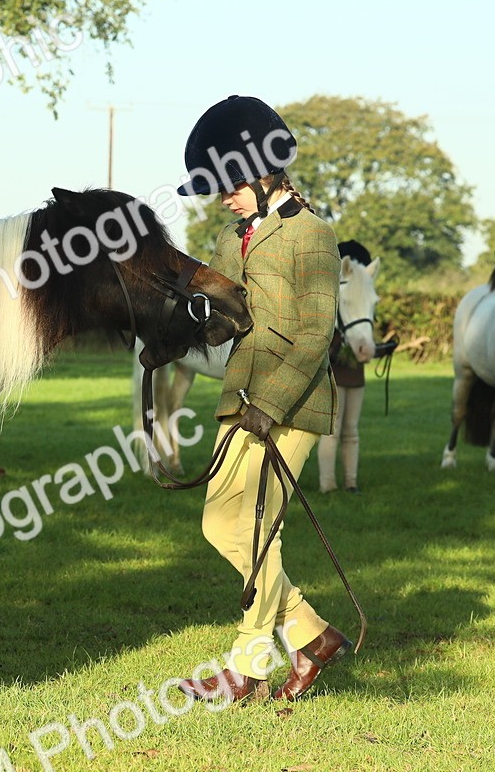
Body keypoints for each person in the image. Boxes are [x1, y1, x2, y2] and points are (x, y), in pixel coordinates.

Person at [172, 96, 350, 702]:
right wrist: (180, 325)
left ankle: (246, 669)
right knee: (221, 523)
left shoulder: (312, 235)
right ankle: (311, 633)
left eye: (230, 185)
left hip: (292, 406)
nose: (224, 198)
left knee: (256, 528)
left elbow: (315, 332)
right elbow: (220, 310)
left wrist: (271, 404)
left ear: (266, 172)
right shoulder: (231, 237)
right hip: (236, 398)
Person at [316, 240, 387, 494]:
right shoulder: (330, 305)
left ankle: (351, 482)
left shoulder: (358, 299)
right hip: (334, 372)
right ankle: (327, 484)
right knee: (332, 430)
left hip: (355, 373)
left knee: (351, 430)